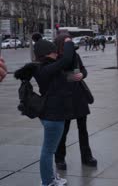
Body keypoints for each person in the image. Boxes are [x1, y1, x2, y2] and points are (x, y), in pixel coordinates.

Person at [15, 38, 74, 186]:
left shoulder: (44, 67)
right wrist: (67, 41)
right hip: (53, 115)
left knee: (50, 149)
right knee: (48, 151)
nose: (56, 54)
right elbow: (66, 59)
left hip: (50, 113)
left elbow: (65, 64)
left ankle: (51, 177)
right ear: (47, 54)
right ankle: (47, 182)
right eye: (54, 51)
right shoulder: (46, 69)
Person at [53, 34, 97, 171]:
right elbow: (56, 77)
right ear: (61, 44)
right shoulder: (55, 58)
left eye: (70, 42)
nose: (70, 45)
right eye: (67, 43)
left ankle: (86, 157)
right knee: (63, 131)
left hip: (78, 96)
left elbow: (83, 69)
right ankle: (60, 158)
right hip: (63, 98)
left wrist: (82, 74)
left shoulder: (75, 56)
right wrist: (74, 77)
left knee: (83, 129)